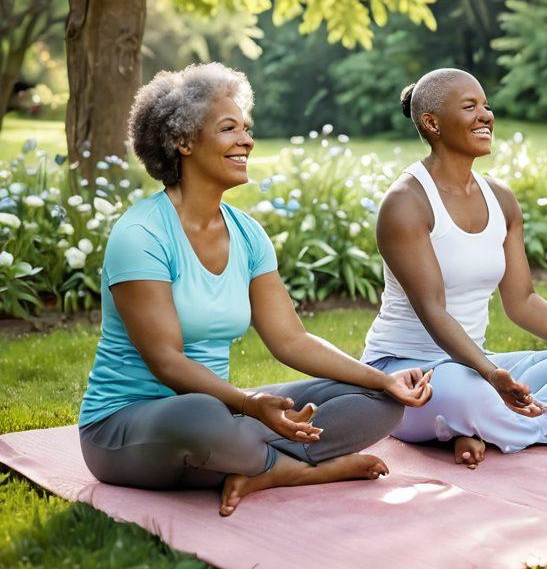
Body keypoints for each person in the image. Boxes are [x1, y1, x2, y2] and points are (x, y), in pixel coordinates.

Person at [78, 63, 432, 517]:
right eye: (229, 129)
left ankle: (249, 460)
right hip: (128, 426)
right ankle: (296, 469)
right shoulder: (141, 235)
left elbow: (291, 339)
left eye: (247, 128)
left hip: (226, 412)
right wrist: (248, 404)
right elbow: (165, 361)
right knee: (202, 417)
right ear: (183, 142)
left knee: (380, 405)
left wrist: (382, 379)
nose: (246, 140)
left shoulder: (247, 235)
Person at [360, 68, 547, 469]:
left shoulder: (501, 199)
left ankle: (482, 431)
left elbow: (522, 301)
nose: (485, 115)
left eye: (486, 106)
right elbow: (433, 310)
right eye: (470, 107)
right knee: (466, 392)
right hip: (406, 375)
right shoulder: (406, 203)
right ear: (432, 123)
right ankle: (530, 430)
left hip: (478, 364)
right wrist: (491, 374)